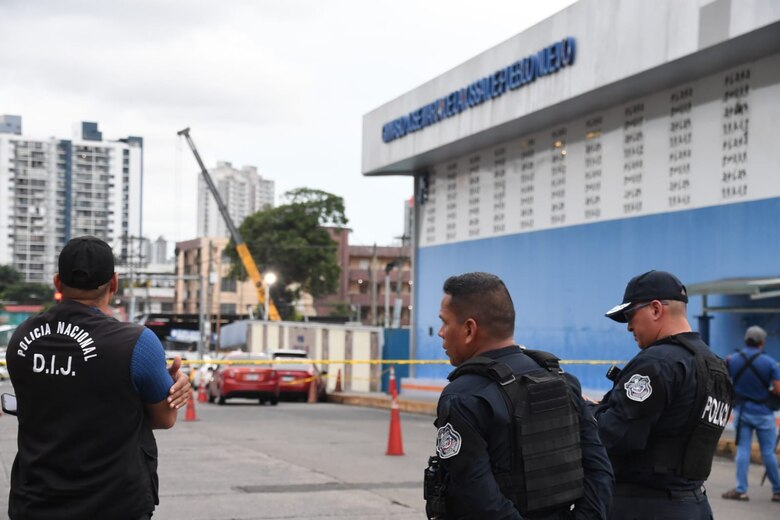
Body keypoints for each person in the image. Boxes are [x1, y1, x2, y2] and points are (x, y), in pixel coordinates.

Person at [6, 236, 191, 520]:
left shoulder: (21, 339)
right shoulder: (137, 344)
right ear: (114, 284)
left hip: (36, 502)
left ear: (57, 283)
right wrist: (169, 387)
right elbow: (163, 419)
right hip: (115, 504)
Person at [425, 272, 613, 519]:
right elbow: (600, 472)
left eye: (445, 322)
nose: (440, 332)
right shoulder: (563, 381)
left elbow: (480, 499)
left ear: (469, 329)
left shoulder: (463, 396)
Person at [595, 270, 733, 519]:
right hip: (695, 504)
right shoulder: (715, 366)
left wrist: (587, 413)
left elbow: (611, 437)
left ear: (656, 309)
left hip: (645, 506)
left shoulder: (657, 362)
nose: (629, 327)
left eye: (630, 315)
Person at [721, 325, 780, 502]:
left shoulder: (732, 360)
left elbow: (724, 380)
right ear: (762, 342)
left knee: (743, 451)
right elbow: (778, 389)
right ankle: (778, 490)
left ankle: (741, 490)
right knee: (768, 452)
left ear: (746, 340)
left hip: (742, 411)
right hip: (763, 413)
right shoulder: (769, 363)